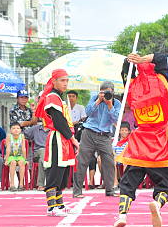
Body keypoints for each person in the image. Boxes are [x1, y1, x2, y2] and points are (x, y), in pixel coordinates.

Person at [109, 54, 168, 227]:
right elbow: (162, 59)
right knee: (164, 185)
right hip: (160, 141)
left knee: (128, 182)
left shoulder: (132, 86)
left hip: (140, 141)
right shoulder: (163, 81)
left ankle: (122, 215)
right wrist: (144, 58)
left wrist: (129, 61)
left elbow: (126, 72)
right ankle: (157, 202)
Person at [34, 70, 79, 216]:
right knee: (55, 171)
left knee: (63, 172)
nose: (65, 83)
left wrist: (70, 139)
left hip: (64, 138)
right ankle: (51, 207)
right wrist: (72, 139)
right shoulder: (52, 97)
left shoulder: (59, 97)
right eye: (61, 80)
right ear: (53, 81)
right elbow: (59, 121)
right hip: (57, 138)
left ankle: (59, 205)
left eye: (66, 80)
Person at [72, 80, 121, 198]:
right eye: (104, 93)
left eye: (109, 93)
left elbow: (116, 119)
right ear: (100, 92)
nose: (106, 95)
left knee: (109, 162)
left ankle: (109, 190)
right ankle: (77, 191)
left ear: (113, 92)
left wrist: (110, 105)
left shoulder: (116, 103)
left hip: (105, 136)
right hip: (89, 133)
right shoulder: (95, 98)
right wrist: (98, 101)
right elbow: (88, 112)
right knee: (82, 161)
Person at [24, 122, 49, 190]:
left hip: (51, 152)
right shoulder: (36, 128)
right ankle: (42, 184)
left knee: (43, 159)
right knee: (43, 153)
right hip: (38, 152)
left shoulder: (54, 129)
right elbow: (24, 134)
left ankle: (42, 184)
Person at [4, 122, 27, 191]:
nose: (16, 130)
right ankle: (12, 184)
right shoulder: (9, 136)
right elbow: (8, 148)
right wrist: (7, 159)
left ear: (20, 130)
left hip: (19, 155)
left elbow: (23, 148)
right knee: (13, 163)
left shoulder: (22, 136)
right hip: (11, 155)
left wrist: (25, 159)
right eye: (13, 128)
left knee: (22, 163)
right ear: (10, 130)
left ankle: (21, 184)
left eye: (18, 128)